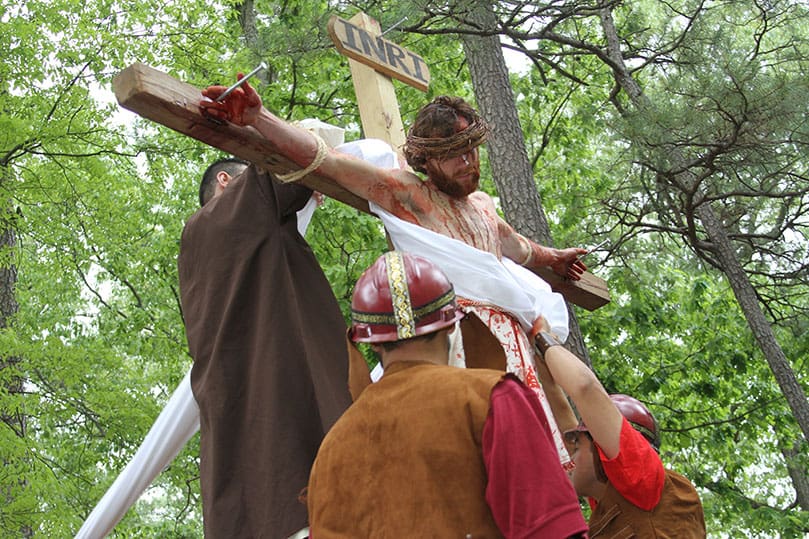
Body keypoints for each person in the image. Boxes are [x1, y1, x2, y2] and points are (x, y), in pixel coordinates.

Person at [199, 81, 588, 467]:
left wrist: (553, 258)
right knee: (476, 462)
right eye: (454, 155)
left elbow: (519, 248)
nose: (469, 162)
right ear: (428, 162)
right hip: (454, 343)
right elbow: (328, 161)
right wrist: (258, 117)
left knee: (544, 462)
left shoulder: (484, 206)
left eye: (471, 150)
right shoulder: (410, 195)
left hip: (515, 346)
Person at [306, 251, 589, 538]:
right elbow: (553, 531)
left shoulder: (332, 447)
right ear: (452, 323)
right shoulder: (492, 398)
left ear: (371, 343)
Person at [178, 157, 352, 537]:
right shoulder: (218, 219)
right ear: (226, 182)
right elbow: (285, 164)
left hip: (261, 436)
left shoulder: (236, 240)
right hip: (280, 440)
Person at [532, 320, 706, 537]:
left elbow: (586, 388)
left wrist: (541, 336)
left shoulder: (642, 481)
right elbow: (569, 425)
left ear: (601, 448)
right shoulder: (613, 502)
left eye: (577, 447)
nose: (570, 458)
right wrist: (547, 379)